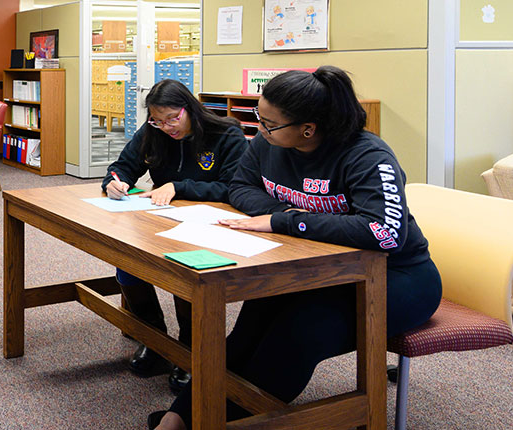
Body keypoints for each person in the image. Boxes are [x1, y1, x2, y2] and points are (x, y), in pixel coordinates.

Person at [148, 66, 442, 429]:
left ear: (308, 129)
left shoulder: (367, 155)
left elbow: (384, 232)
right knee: (246, 330)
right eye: (259, 116)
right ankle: (178, 419)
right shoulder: (267, 144)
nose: (261, 129)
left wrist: (284, 221)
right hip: (313, 266)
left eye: (270, 123)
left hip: (394, 278)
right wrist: (285, 214)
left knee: (296, 335)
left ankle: (213, 422)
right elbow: (241, 187)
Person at [101, 79, 248, 395]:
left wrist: (180, 187)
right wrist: (115, 182)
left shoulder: (227, 133)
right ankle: (154, 340)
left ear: (189, 108)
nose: (167, 127)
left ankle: (188, 349)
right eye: (157, 120)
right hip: (162, 221)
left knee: (185, 276)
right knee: (127, 264)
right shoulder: (153, 131)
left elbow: (236, 188)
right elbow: (123, 166)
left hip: (212, 225)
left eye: (173, 118)